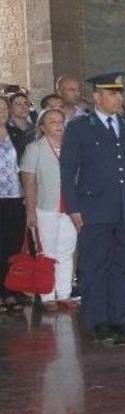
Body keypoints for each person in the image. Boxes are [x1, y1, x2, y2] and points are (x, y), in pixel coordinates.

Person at [60, 72, 125, 345]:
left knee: (121, 265)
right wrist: (74, 208)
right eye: (111, 93)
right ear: (96, 97)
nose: (118, 98)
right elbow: (68, 171)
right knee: (95, 266)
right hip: (95, 209)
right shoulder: (79, 127)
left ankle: (120, 320)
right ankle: (98, 322)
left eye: (119, 93)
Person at [21, 108, 78, 311]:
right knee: (47, 252)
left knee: (66, 252)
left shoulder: (72, 147)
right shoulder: (34, 148)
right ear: (42, 127)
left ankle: (64, 294)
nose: (58, 125)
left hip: (70, 209)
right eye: (52, 121)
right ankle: (48, 296)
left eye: (61, 121)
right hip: (45, 208)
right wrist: (30, 211)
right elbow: (29, 182)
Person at [0, 96, 28, 312]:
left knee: (13, 244)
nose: (1, 111)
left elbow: (24, 164)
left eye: (3, 108)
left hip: (15, 197)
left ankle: (11, 288)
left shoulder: (16, 134)